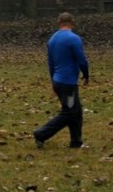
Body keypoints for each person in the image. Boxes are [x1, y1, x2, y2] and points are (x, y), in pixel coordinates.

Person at [33, 12, 90, 149]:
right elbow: (81, 60)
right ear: (72, 23)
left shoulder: (52, 39)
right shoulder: (74, 39)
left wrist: (53, 81)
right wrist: (86, 75)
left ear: (59, 23)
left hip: (58, 81)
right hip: (68, 83)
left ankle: (76, 142)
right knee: (69, 112)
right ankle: (41, 133)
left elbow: (51, 63)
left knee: (76, 111)